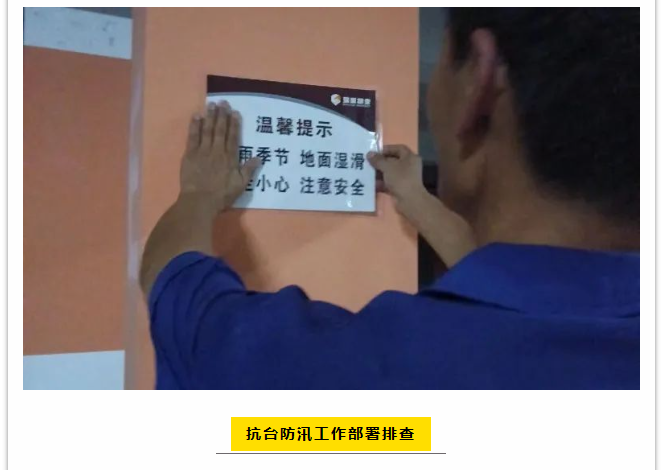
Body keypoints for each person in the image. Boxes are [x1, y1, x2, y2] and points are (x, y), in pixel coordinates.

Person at [140, 7, 639, 389]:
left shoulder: (360, 376)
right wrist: (418, 201)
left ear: (478, 82)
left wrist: (199, 195)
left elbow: (175, 282)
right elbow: (526, 291)